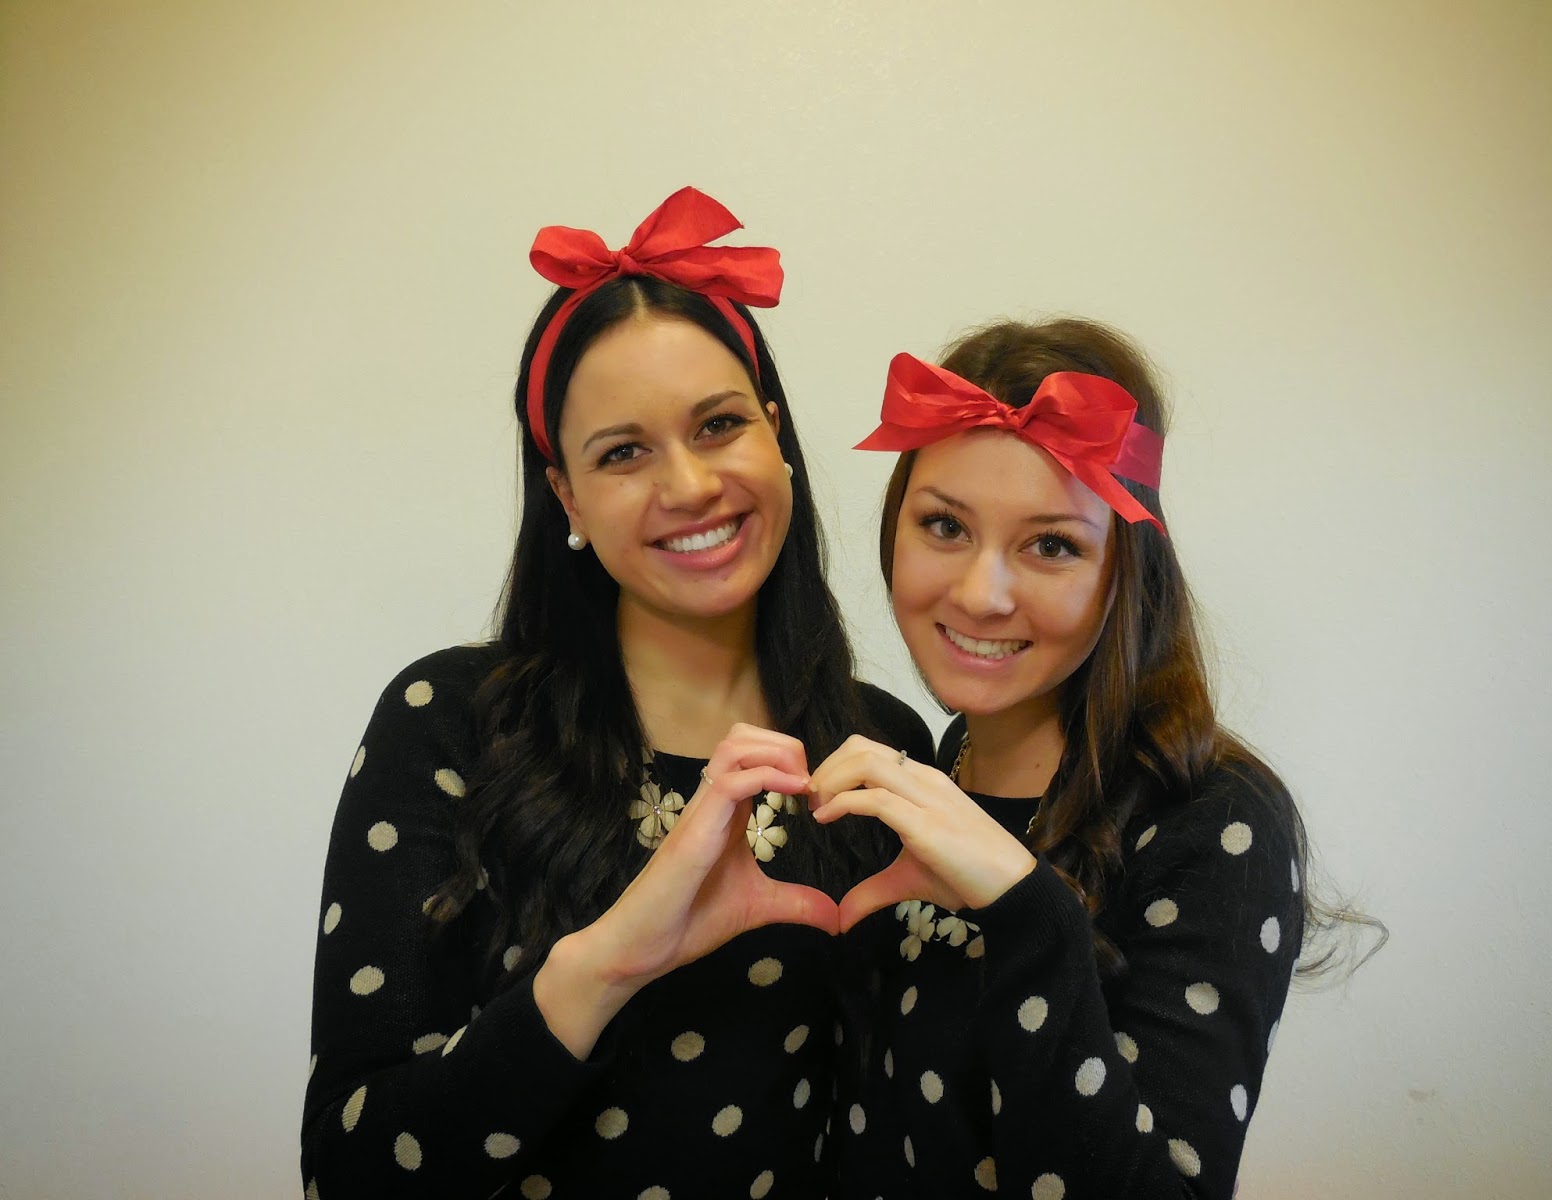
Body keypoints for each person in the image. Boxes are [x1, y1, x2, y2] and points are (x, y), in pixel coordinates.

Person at [300, 188, 931, 1200]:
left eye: (719, 424)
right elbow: (351, 1171)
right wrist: (605, 964)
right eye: (623, 452)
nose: (689, 487)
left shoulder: (880, 748)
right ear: (567, 497)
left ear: (776, 437)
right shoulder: (450, 721)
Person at [809, 319, 1367, 1199]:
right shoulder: (934, 767)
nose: (980, 594)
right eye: (944, 525)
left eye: (1052, 545)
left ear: (1125, 568)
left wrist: (1027, 913)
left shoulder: (1215, 820)